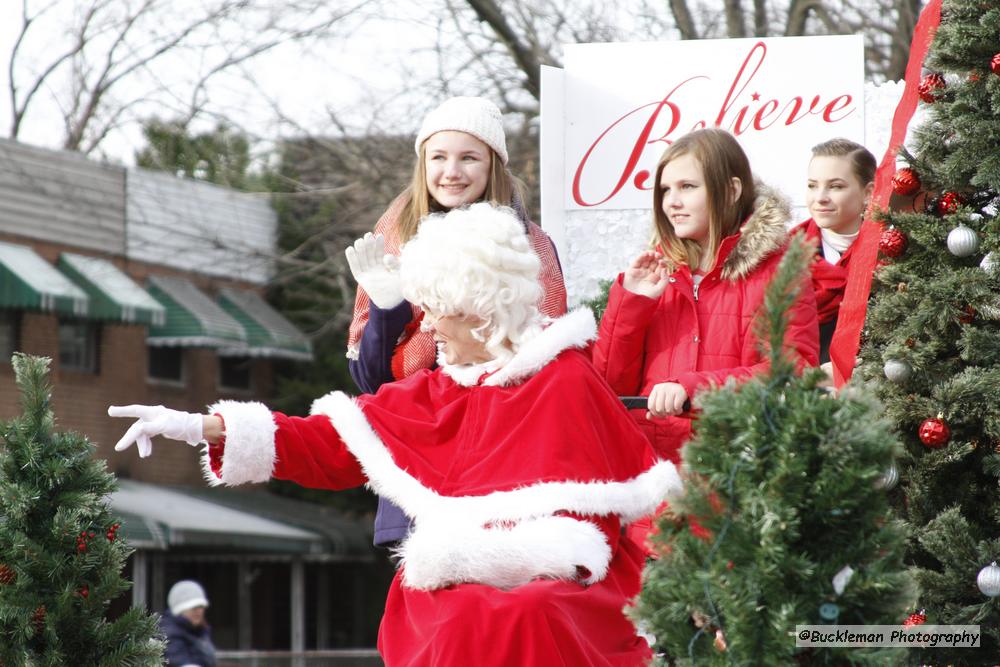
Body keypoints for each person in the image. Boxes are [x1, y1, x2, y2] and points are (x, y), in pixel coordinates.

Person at [111, 204, 680, 667]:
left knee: (529, 612)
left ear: (481, 310)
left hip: (567, 582)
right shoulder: (432, 393)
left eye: (437, 311)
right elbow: (324, 443)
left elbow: (643, 500)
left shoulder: (567, 379)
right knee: (453, 615)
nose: (426, 326)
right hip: (455, 581)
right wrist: (197, 425)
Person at [346, 96, 567, 549]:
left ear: (493, 166)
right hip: (416, 464)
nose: (453, 171)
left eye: (469, 157)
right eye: (439, 157)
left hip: (504, 458)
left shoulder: (530, 248)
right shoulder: (394, 238)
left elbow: (548, 360)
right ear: (422, 163)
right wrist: (388, 308)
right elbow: (372, 382)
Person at [592, 128, 820, 464]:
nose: (672, 202)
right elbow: (610, 388)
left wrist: (694, 388)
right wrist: (632, 303)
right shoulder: (655, 273)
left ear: (730, 190)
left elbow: (794, 372)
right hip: (656, 480)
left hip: (739, 473)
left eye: (687, 187)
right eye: (666, 190)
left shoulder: (780, 268)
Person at [793, 138, 876, 366]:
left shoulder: (893, 255)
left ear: (868, 192)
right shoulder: (783, 256)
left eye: (835, 186)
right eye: (812, 185)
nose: (820, 197)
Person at [160, 579, 217, 667]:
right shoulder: (170, 634)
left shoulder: (199, 631)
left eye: (201, 606)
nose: (199, 611)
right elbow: (179, 662)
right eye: (193, 608)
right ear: (180, 610)